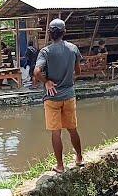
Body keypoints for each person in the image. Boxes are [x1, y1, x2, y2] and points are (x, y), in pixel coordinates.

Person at [33, 18, 84, 174]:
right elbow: (78, 71)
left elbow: (36, 73)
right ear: (65, 32)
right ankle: (80, 158)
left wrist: (46, 82)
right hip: (69, 95)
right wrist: (68, 80)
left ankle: (60, 166)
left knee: (56, 132)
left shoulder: (45, 52)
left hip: (52, 97)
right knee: (72, 129)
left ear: (50, 34)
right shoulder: (73, 48)